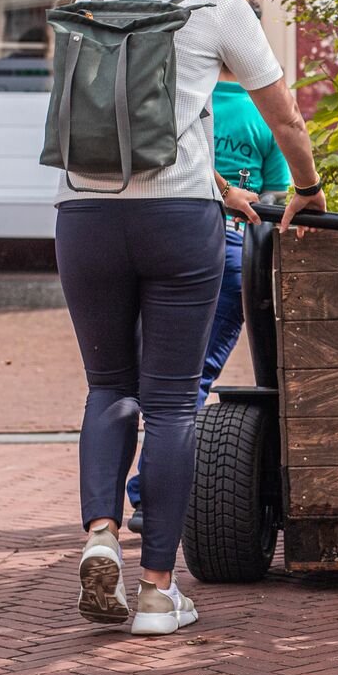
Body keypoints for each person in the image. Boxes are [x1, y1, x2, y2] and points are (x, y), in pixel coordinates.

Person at [59, 0, 325, 637]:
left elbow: (109, 121)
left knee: (109, 385)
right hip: (177, 220)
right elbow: (286, 119)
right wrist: (303, 188)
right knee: (173, 398)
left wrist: (211, 178)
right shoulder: (214, 2)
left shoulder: (86, 1)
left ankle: (100, 533)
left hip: (84, 215)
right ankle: (153, 591)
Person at [123, 52, 290, 533]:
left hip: (171, 240)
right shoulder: (267, 111)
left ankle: (144, 495)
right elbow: (274, 200)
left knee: (160, 376)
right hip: (233, 251)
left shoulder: (186, 99)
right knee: (193, 380)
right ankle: (151, 499)